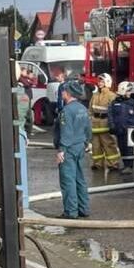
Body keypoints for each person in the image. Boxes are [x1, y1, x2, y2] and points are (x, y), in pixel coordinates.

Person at [54, 79, 91, 219]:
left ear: (68, 93)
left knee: (68, 180)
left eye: (63, 90)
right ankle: (84, 209)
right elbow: (88, 129)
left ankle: (71, 212)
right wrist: (86, 143)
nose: (62, 92)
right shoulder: (83, 109)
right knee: (80, 179)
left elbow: (66, 132)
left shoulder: (66, 111)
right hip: (80, 147)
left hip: (68, 149)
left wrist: (61, 150)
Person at [109, 81, 134, 174]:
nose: (130, 93)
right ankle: (125, 165)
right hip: (119, 130)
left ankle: (129, 166)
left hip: (129, 130)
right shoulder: (114, 103)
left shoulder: (132, 103)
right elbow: (110, 115)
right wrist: (112, 126)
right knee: (122, 148)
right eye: (128, 91)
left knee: (129, 149)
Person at [90, 73, 122, 170]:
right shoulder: (94, 96)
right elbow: (90, 109)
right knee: (96, 146)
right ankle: (97, 163)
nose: (100, 83)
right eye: (99, 81)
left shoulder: (112, 96)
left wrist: (114, 124)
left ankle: (113, 163)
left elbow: (116, 112)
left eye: (102, 81)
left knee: (109, 145)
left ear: (108, 82)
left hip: (106, 123)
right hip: (95, 124)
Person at [13, 66, 33, 212]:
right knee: (20, 170)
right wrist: (27, 134)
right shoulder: (24, 94)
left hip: (6, 133)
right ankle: (23, 202)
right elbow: (29, 118)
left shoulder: (3, 94)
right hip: (19, 133)